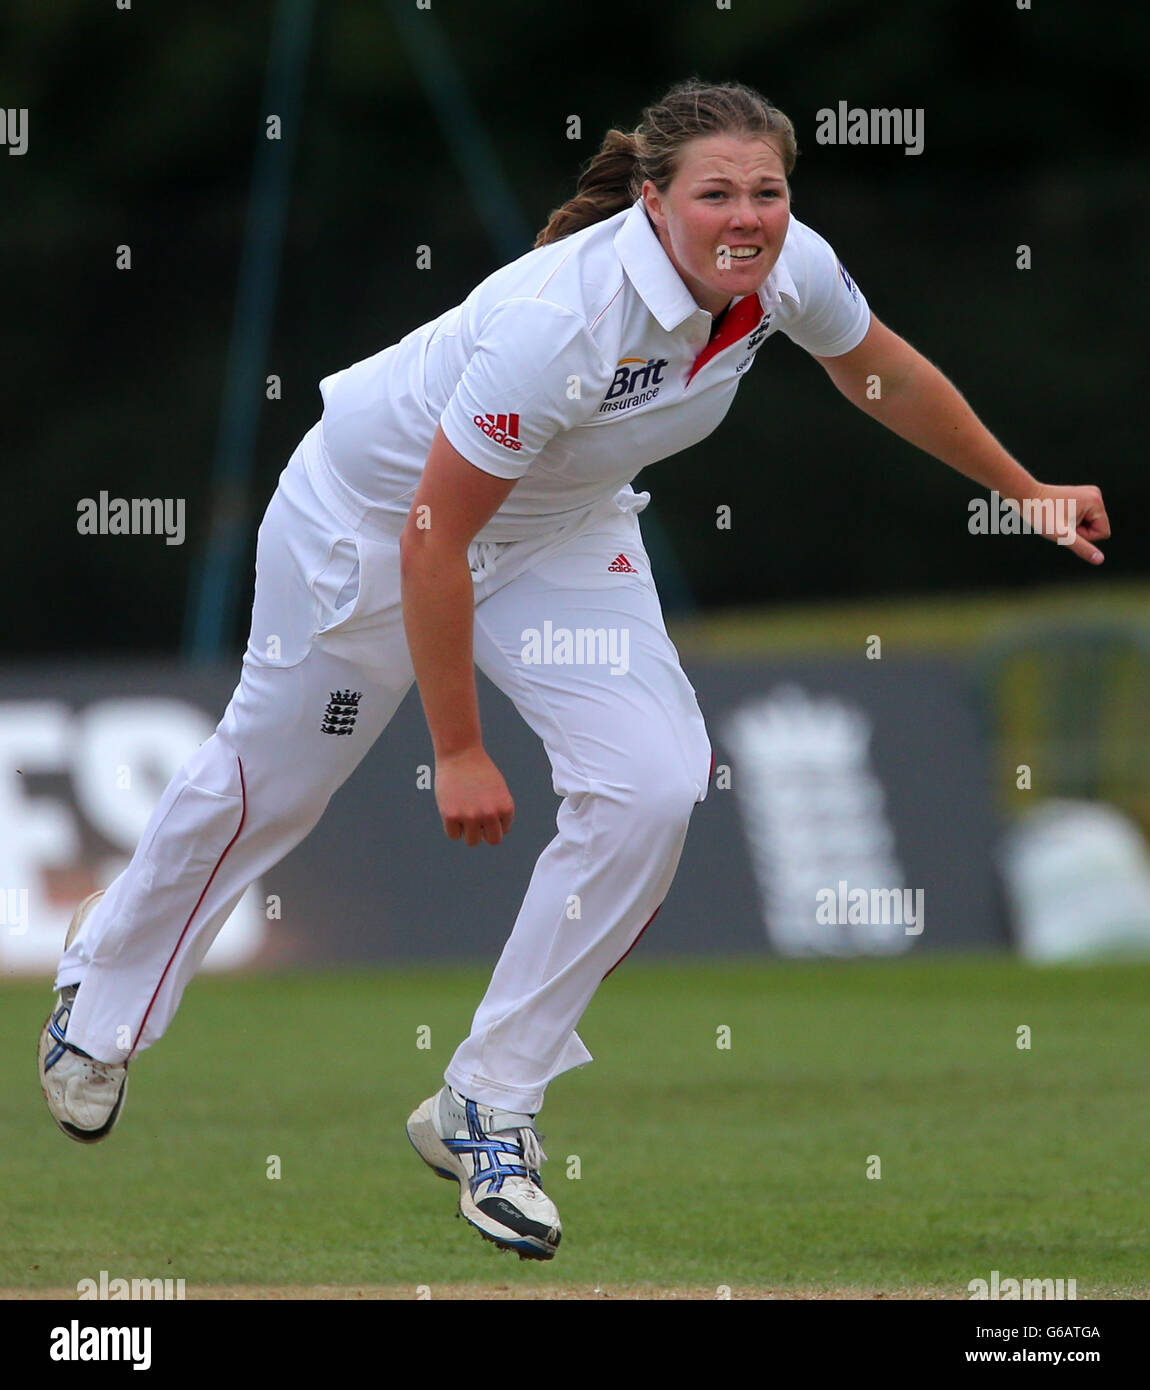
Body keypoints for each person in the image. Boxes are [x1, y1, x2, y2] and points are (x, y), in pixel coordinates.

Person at [38, 79, 1109, 1262]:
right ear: (653, 202)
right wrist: (456, 748)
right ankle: (99, 1004)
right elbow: (433, 538)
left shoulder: (786, 266)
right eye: (715, 194)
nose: (746, 217)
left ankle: (486, 1102)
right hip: (370, 524)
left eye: (766, 189)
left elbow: (881, 372)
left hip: (555, 535)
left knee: (655, 780)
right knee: (276, 784)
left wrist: (1024, 492)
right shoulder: (564, 320)